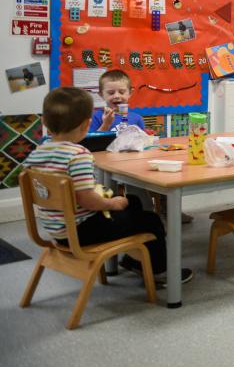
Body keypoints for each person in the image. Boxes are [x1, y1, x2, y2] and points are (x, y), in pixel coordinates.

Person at [23, 87, 192, 286]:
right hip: (82, 230)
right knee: (151, 220)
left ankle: (135, 259)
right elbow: (88, 200)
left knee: (135, 202)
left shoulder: (37, 153)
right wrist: (112, 204)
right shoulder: (78, 155)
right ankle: (160, 272)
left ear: (45, 122)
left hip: (57, 229)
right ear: (87, 124)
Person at [91, 69, 193, 224]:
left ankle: (169, 211)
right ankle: (148, 218)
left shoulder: (136, 118)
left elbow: (142, 142)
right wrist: (106, 124)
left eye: (121, 91)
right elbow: (94, 144)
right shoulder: (97, 116)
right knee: (134, 185)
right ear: (101, 95)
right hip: (107, 166)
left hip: (134, 163)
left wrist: (148, 138)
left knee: (163, 175)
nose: (117, 96)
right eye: (111, 93)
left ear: (130, 93)